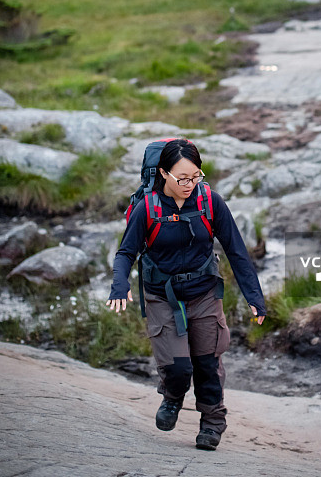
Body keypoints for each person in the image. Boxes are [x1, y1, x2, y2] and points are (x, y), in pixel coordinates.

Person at [106, 138, 266, 451]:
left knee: (207, 363)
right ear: (164, 173)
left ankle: (212, 423)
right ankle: (173, 396)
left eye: (196, 176)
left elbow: (236, 250)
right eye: (182, 178)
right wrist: (119, 284)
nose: (190, 184)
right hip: (161, 296)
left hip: (204, 293)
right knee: (179, 368)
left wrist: (254, 297)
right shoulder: (147, 208)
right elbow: (126, 252)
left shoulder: (210, 201)